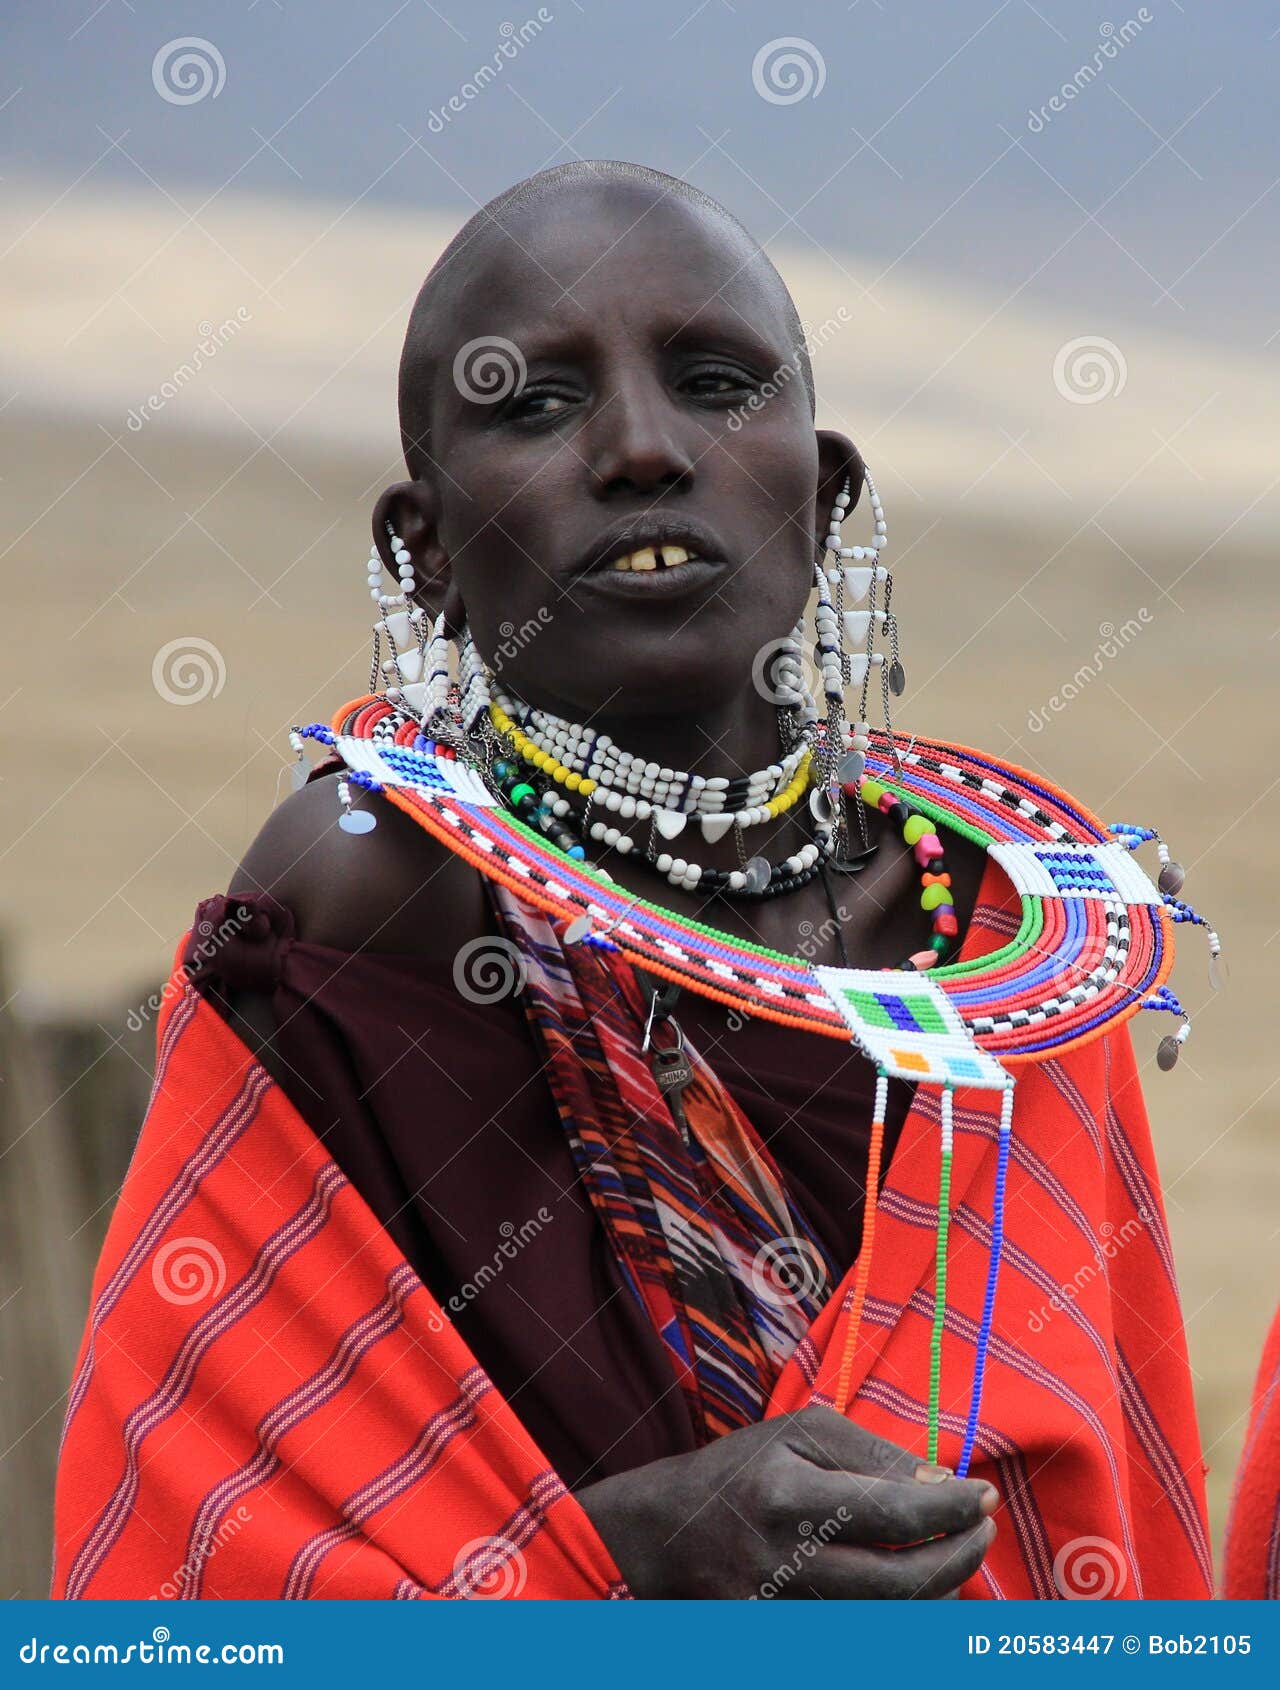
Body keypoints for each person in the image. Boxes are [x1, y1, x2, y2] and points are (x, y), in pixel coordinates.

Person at [53, 161, 1212, 1601]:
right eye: (533, 404)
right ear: (423, 555)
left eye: (718, 383)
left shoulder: (1005, 927)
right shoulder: (373, 891)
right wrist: (619, 1555)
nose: (644, 451)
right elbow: (218, 1535)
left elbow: (1106, 1511)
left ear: (825, 490)